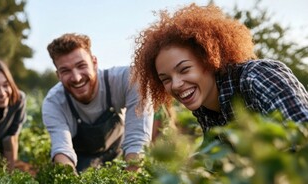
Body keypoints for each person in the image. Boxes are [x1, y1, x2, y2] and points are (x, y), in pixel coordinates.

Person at [131, 4, 308, 136]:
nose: (176, 84)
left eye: (184, 69)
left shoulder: (256, 77)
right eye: (166, 79)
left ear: (209, 59)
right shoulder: (204, 107)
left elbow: (303, 137)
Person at [42, 33, 154, 173]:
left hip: (120, 153)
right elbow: (62, 149)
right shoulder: (54, 102)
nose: (76, 78)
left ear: (94, 63)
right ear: (58, 75)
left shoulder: (128, 79)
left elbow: (137, 138)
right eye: (65, 71)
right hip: (80, 161)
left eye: (81, 65)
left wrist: (130, 182)